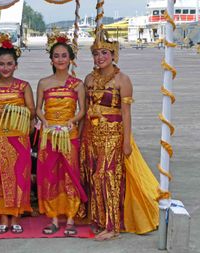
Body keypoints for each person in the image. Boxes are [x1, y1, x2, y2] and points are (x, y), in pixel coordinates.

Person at [81, 28, 159, 240]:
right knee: (95, 176)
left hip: (113, 134)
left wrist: (126, 141)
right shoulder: (88, 79)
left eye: (105, 53)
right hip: (92, 134)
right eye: (96, 54)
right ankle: (98, 219)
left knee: (108, 176)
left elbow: (126, 113)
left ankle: (113, 226)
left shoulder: (122, 80)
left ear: (114, 55)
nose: (100, 57)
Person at [0, 34, 35, 234]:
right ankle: (3, 217)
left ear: (15, 65)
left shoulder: (24, 86)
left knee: (20, 176)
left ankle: (17, 216)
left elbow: (32, 111)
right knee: (0, 177)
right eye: (1, 64)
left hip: (19, 137)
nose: (5, 67)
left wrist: (16, 112)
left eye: (9, 63)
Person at [35, 33, 87, 236]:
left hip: (69, 134)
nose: (60, 59)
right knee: (50, 175)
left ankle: (71, 218)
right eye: (56, 56)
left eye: (64, 55)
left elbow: (82, 110)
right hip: (48, 134)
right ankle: (54, 217)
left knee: (70, 175)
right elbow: (38, 109)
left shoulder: (77, 84)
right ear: (51, 59)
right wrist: (45, 121)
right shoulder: (43, 83)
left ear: (70, 58)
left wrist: (71, 122)